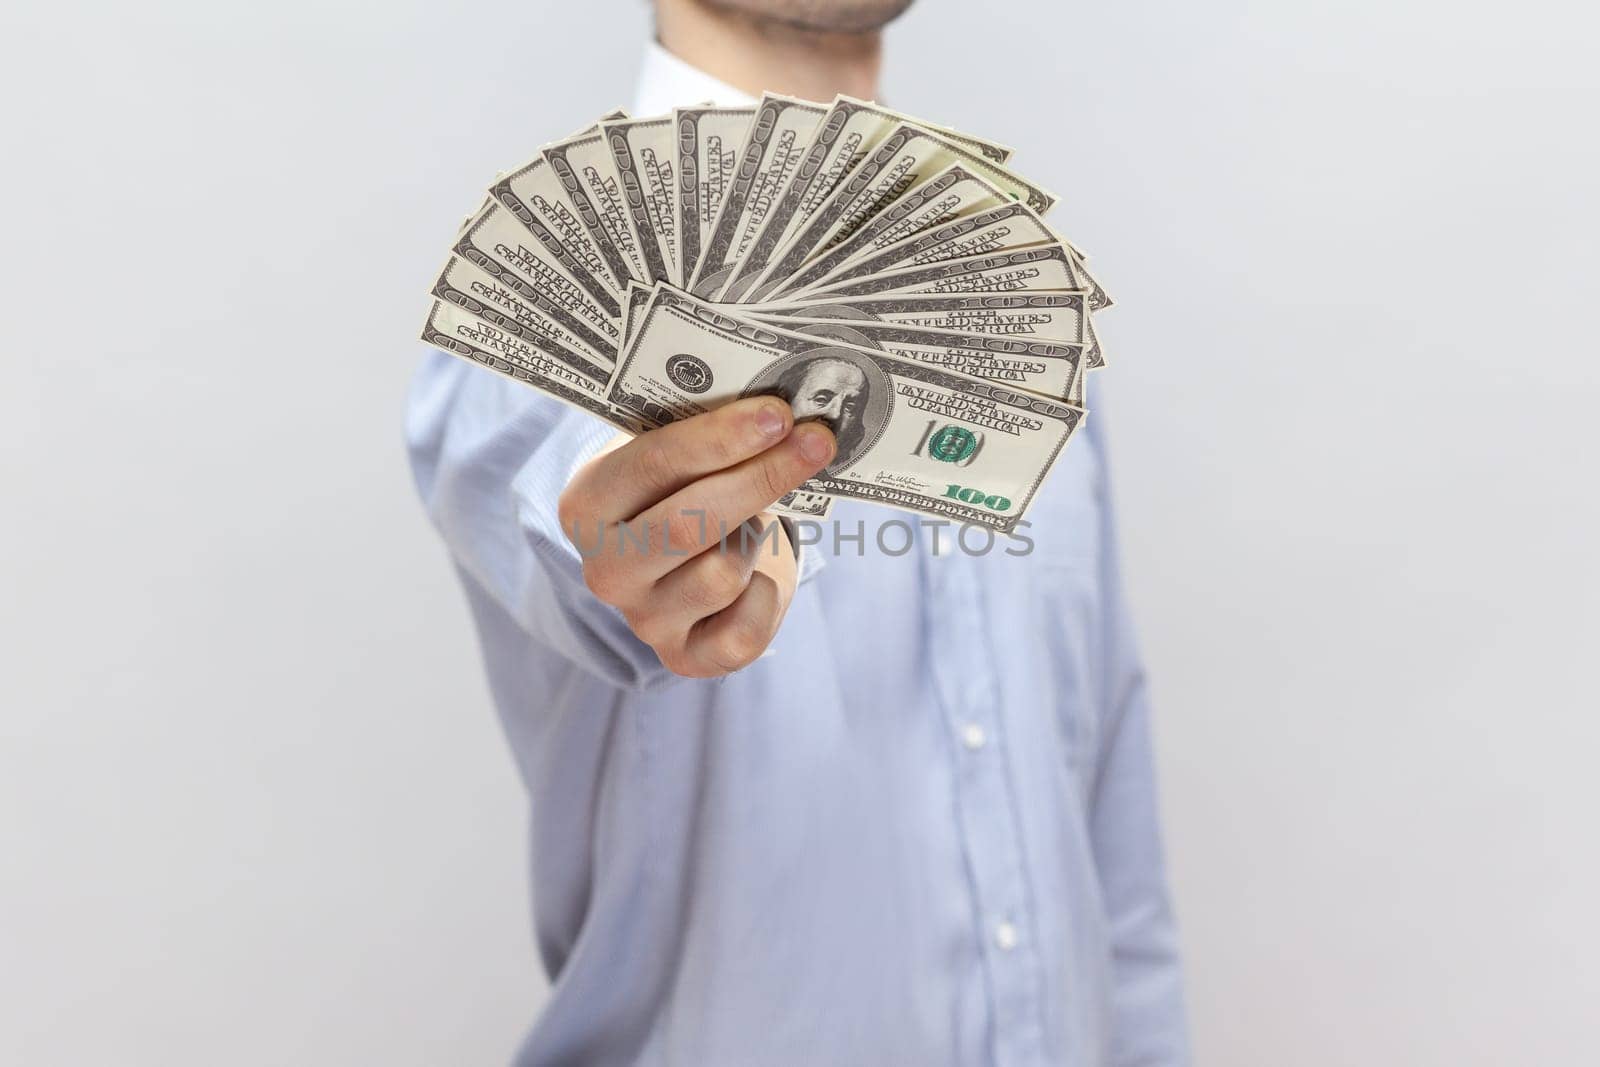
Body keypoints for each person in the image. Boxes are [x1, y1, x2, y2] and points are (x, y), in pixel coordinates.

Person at [405, 0, 1190, 1063]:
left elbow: (1112, 835)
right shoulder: (536, 326)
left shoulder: (1022, 324)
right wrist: (637, 545)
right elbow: (564, 509)